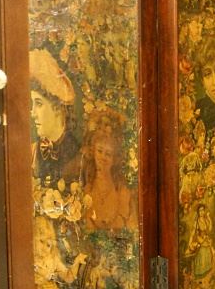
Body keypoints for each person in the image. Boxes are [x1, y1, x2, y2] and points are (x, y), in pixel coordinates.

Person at [29, 48, 81, 187]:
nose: (32, 113)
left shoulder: (78, 156)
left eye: (39, 104)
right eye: (32, 104)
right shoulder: (32, 153)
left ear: (58, 107)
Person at [82, 115, 137, 230]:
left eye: (108, 154)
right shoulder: (86, 188)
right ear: (93, 152)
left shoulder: (122, 190)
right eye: (99, 151)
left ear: (114, 159)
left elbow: (127, 226)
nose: (103, 157)